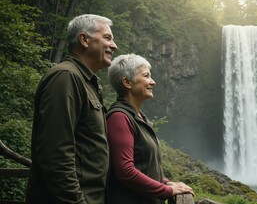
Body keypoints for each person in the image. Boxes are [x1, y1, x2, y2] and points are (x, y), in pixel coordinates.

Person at [26, 14, 118, 203]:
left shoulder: (87, 82)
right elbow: (56, 155)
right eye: (107, 38)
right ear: (84, 39)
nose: (114, 45)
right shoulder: (65, 77)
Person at [106, 54, 194, 204]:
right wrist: (167, 191)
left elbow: (144, 166)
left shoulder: (139, 117)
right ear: (127, 82)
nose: (153, 82)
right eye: (146, 76)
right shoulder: (119, 118)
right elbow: (125, 171)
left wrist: (165, 182)